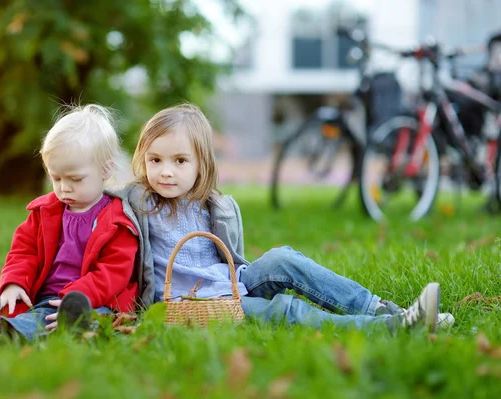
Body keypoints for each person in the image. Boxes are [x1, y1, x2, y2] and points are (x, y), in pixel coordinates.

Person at [123, 103, 448, 332]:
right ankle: (391, 327)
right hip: (189, 303)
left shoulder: (211, 204)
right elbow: (91, 211)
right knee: (283, 310)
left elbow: (231, 260)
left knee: (283, 258)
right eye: (156, 160)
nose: (165, 171)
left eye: (180, 160)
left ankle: (378, 308)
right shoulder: (137, 204)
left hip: (230, 283)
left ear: (201, 164)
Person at [0, 104, 139, 341]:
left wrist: (77, 296)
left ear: (105, 170)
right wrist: (14, 283)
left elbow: (114, 272)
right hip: (44, 297)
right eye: (56, 178)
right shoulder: (44, 211)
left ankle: (46, 329)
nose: (64, 187)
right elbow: (23, 251)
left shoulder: (117, 220)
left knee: (92, 318)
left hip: (93, 300)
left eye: (75, 179)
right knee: (25, 311)